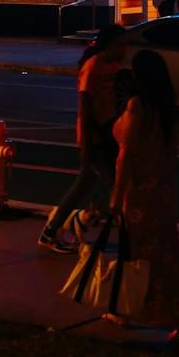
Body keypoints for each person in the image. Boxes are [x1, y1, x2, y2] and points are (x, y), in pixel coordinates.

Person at [108, 49, 179, 344]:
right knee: (159, 253)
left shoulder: (138, 106)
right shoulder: (164, 107)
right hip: (161, 189)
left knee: (143, 256)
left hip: (140, 193)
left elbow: (127, 155)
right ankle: (130, 309)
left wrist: (116, 195)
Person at [38, 25, 125, 253]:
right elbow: (85, 107)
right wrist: (87, 143)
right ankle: (57, 229)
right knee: (105, 184)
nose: (125, 49)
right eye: (121, 44)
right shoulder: (93, 66)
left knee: (104, 183)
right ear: (110, 45)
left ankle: (80, 219)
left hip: (108, 132)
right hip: (94, 135)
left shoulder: (114, 66)